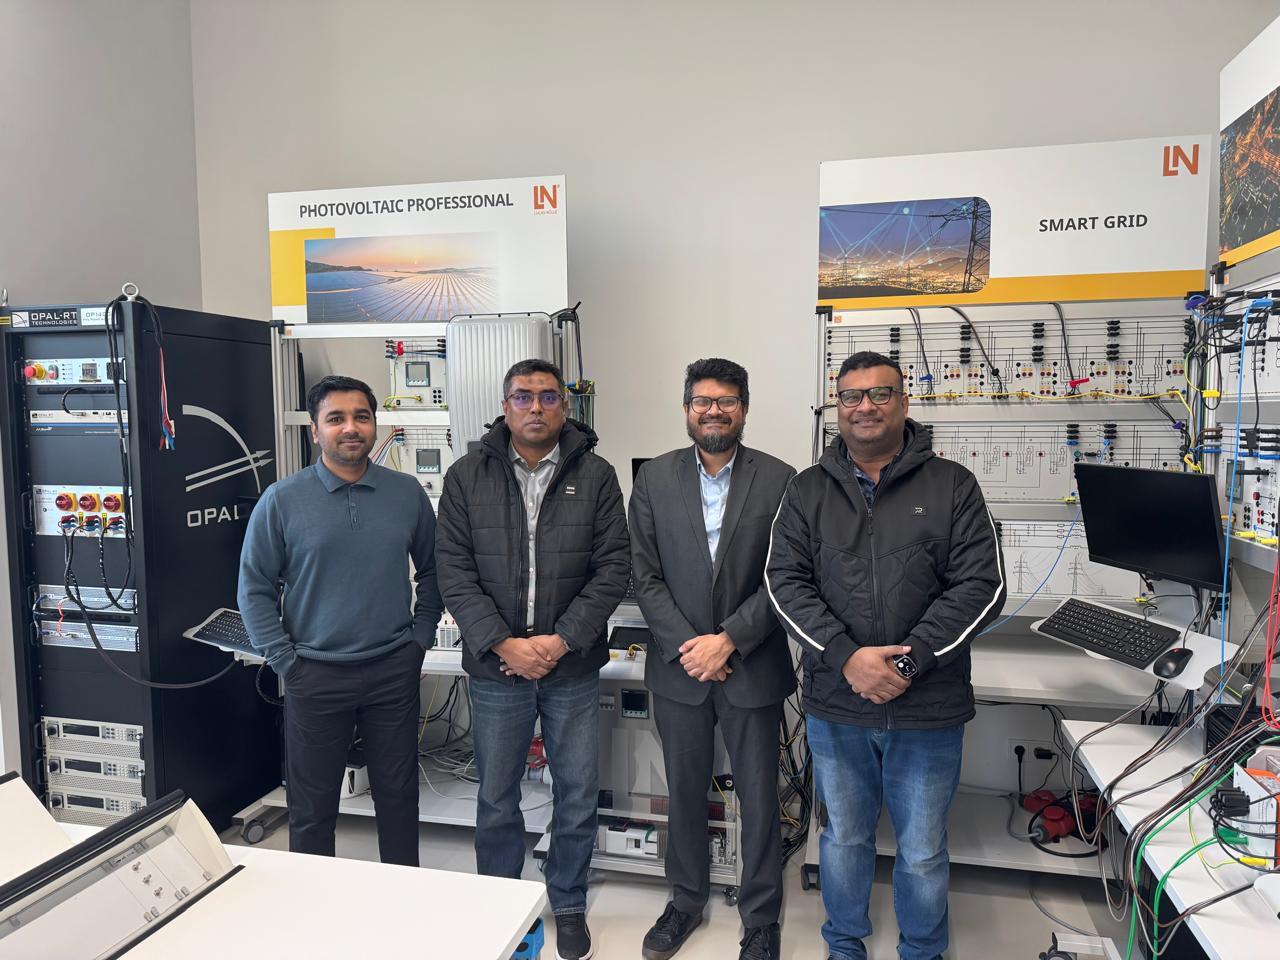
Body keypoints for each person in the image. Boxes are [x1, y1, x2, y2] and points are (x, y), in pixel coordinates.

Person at [766, 351, 1006, 960]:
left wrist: (907, 664)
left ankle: (922, 950)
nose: (864, 406)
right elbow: (784, 583)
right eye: (851, 396)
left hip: (927, 706)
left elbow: (983, 586)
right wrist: (848, 658)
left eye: (879, 393)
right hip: (837, 706)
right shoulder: (806, 490)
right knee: (843, 838)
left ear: (903, 402)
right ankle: (844, 945)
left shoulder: (953, 485)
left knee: (922, 849)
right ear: (837, 407)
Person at [436, 359, 629, 960]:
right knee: (497, 793)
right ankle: (500, 903)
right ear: (505, 406)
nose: (536, 407)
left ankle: (567, 901)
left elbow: (613, 568)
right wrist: (502, 642)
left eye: (548, 397)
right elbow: (453, 570)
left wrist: (561, 641)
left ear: (564, 407)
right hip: (497, 668)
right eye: (524, 397)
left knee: (577, 789)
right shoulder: (466, 475)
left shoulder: (596, 475)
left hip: (570, 667)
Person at [629, 358, 796, 960]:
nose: (714, 411)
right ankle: (685, 901)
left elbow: (787, 574)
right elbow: (644, 574)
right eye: (702, 401)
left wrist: (729, 639)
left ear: (743, 409)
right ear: (686, 410)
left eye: (726, 401)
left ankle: (761, 916)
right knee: (683, 791)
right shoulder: (654, 479)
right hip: (681, 670)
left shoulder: (780, 479)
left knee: (759, 797)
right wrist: (691, 647)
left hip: (752, 664)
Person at [238, 374, 442, 866]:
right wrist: (285, 661)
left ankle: (405, 895)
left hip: (392, 669)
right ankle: (316, 905)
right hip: (314, 673)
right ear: (315, 431)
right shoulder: (282, 500)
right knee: (312, 809)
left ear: (374, 425)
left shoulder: (406, 493)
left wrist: (419, 638)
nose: (350, 427)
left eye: (361, 417)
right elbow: (254, 588)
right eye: (336, 418)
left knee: (399, 799)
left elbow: (435, 571)